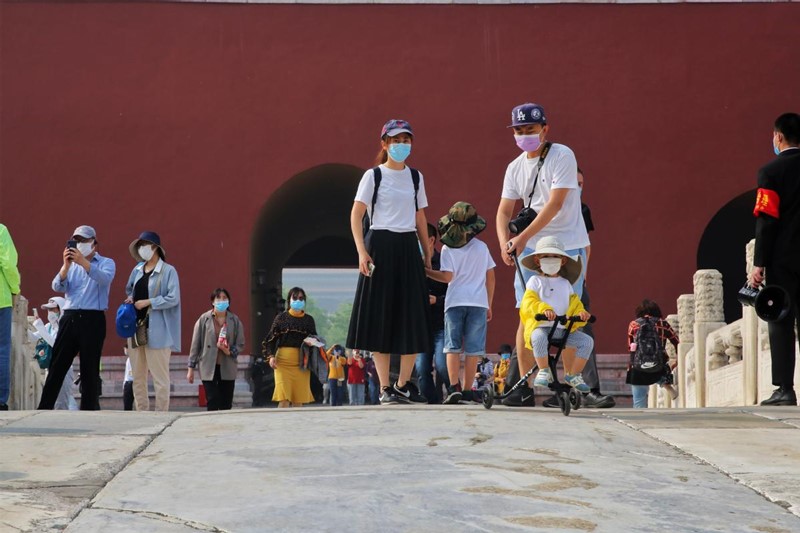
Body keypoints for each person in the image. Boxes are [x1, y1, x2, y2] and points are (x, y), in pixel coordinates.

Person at [496, 103, 590, 406]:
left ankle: (566, 384)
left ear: (544, 129)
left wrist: (520, 237)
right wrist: (504, 242)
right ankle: (526, 388)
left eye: (530, 130)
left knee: (569, 317)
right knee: (529, 317)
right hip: (532, 251)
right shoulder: (514, 167)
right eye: (519, 131)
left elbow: (555, 204)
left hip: (567, 244)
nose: (525, 136)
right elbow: (503, 210)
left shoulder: (563, 155)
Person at [347, 119, 432, 404]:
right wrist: (362, 251)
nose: (401, 145)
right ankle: (385, 388)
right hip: (380, 244)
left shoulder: (416, 177)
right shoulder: (374, 176)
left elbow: (420, 216)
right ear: (384, 144)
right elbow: (356, 215)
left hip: (408, 246)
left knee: (411, 316)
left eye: (406, 140)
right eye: (395, 141)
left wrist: (427, 250)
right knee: (380, 317)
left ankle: (403, 384)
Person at [542, 168, 615, 409]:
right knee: (535, 325)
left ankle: (586, 389)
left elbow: (586, 246)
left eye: (581, 182)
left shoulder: (581, 210)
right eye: (575, 182)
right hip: (547, 278)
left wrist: (583, 275)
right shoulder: (544, 205)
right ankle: (523, 385)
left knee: (580, 330)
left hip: (573, 279)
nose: (578, 186)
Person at [749, 112, 800, 406]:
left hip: (783, 259)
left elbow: (766, 220)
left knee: (780, 321)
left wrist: (759, 263)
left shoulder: (770, 172)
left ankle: (785, 389)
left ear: (778, 136)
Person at [39, 225, 115, 410]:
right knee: (57, 364)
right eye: (76, 241)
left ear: (94, 243)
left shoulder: (106, 262)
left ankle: (89, 408)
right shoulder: (71, 265)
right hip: (70, 316)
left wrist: (84, 262)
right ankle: (44, 407)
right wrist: (66, 265)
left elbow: (104, 279)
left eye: (83, 241)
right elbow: (57, 286)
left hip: (93, 318)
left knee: (90, 366)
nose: (80, 244)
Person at [427, 202, 496, 404]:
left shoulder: (448, 248)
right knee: (474, 350)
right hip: (478, 302)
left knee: (452, 347)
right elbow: (490, 277)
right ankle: (467, 390)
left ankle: (453, 386)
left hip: (455, 301)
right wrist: (489, 303)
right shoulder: (482, 247)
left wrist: (426, 271)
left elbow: (447, 277)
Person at [519, 236, 593, 393]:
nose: (551, 260)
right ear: (538, 261)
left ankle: (573, 374)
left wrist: (581, 313)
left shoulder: (565, 284)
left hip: (561, 329)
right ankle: (544, 370)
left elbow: (574, 303)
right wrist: (544, 309)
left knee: (586, 341)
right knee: (538, 337)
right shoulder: (534, 281)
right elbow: (529, 302)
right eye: (546, 256)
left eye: (555, 256)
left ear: (563, 261)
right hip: (542, 327)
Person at [124, 232, 181, 412]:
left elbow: (173, 298)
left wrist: (149, 302)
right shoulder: (137, 270)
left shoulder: (168, 271)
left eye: (145, 244)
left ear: (155, 247)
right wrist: (131, 299)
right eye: (140, 245)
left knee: (160, 376)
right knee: (137, 376)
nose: (142, 248)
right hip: (135, 327)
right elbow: (130, 288)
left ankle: (161, 413)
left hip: (158, 329)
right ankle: (142, 412)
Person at [187, 288, 245, 411]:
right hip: (208, 365)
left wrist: (228, 351)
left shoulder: (234, 320)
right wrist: (190, 368)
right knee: (212, 399)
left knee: (226, 403)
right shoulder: (204, 319)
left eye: (225, 298)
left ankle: (225, 428)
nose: (222, 301)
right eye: (218, 298)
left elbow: (240, 344)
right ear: (213, 301)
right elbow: (195, 344)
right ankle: (212, 427)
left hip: (227, 365)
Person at [263, 287, 317, 408]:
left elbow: (315, 340)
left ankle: (297, 426)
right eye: (295, 297)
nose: (298, 300)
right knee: (283, 399)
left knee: (298, 401)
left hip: (302, 363)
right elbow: (270, 340)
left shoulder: (309, 320)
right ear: (289, 300)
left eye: (301, 298)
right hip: (282, 363)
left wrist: (312, 343)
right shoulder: (281, 318)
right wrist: (271, 356)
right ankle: (281, 425)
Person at [415, 222, 448, 404]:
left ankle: (453, 394)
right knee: (421, 368)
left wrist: (437, 300)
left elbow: (454, 291)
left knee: (443, 366)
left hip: (441, 324)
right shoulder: (409, 264)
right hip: (419, 327)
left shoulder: (444, 262)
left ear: (431, 240)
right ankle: (432, 403)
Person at [625, 299, 679, 408]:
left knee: (639, 401)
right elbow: (677, 342)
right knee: (660, 366)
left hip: (638, 367)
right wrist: (677, 361)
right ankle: (664, 382)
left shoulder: (633, 324)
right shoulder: (663, 324)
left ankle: (640, 420)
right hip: (659, 365)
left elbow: (630, 347)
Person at [29, 297, 77, 410]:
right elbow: (33, 337)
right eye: (48, 310)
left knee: (61, 403)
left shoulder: (66, 327)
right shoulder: (48, 327)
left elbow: (56, 346)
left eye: (53, 310)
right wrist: (24, 327)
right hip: (50, 369)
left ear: (61, 310)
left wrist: (40, 328)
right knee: (50, 401)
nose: (50, 313)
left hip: (64, 369)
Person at [0, 224, 20, 411]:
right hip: (1, 299)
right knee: (1, 350)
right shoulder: (1, 230)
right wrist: (15, 289)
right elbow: (7, 264)